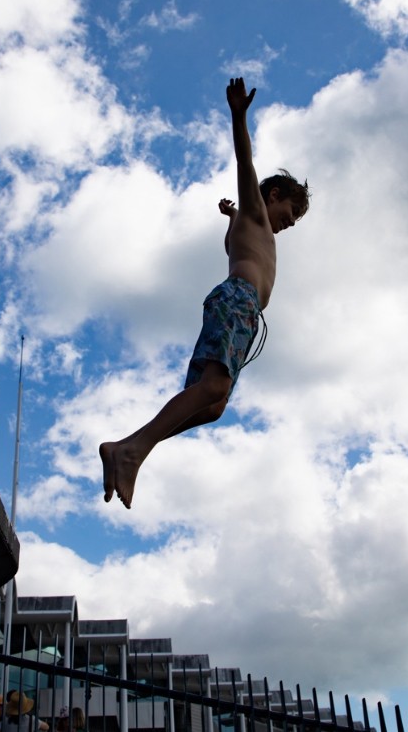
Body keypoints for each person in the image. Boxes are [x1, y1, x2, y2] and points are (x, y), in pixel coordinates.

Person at [98, 77, 310, 508]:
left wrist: (230, 219)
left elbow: (233, 243)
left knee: (212, 406)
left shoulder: (245, 225)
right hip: (236, 300)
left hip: (245, 313)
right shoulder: (256, 213)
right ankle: (132, 448)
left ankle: (129, 445)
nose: (290, 222)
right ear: (272, 196)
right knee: (213, 388)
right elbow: (245, 162)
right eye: (290, 212)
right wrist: (238, 115)